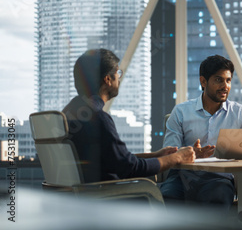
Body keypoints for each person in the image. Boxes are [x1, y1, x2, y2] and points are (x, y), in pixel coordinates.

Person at [160, 54, 242, 208]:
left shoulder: (239, 112)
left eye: (228, 80)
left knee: (217, 198)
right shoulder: (181, 112)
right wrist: (190, 153)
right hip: (183, 177)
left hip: (219, 178)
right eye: (218, 80)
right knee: (165, 198)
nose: (225, 86)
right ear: (203, 81)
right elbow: (169, 152)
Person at [63, 49, 195, 183]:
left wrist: (154, 156)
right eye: (117, 73)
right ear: (108, 79)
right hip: (105, 195)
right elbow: (130, 168)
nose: (119, 78)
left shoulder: (69, 113)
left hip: (80, 194)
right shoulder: (98, 118)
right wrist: (177, 158)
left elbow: (116, 159)